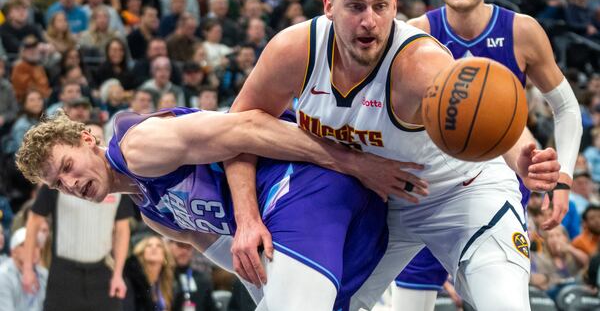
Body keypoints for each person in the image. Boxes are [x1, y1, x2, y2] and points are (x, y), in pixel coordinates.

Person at [223, 0, 560, 311]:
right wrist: (247, 220)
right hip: (383, 205)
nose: (370, 21)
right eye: (355, 7)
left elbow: (487, 110)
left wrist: (522, 154)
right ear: (329, 6)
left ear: (395, 6)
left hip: (464, 196)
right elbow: (236, 132)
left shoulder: (421, 63)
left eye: (381, 6)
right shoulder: (294, 51)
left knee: (505, 304)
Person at [14, 108, 412, 311]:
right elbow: (247, 266)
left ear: (87, 138)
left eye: (66, 167)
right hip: (321, 220)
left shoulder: (138, 146)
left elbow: (250, 127)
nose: (69, 185)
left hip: (306, 184)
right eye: (56, 185)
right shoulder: (152, 214)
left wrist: (354, 163)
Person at [392, 0, 583, 310]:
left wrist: (563, 179)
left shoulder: (521, 31)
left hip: (498, 193)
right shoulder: (417, 33)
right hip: (432, 190)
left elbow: (568, 108)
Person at [20, 168, 133, 311]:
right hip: (63, 274)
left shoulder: (115, 180)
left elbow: (122, 229)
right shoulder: (58, 178)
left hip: (104, 273)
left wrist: (118, 273)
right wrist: (27, 268)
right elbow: (34, 220)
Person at [0, 227, 48, 311]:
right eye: (26, 245)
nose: (32, 249)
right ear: (13, 252)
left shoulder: (45, 274)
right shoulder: (3, 277)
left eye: (36, 245)